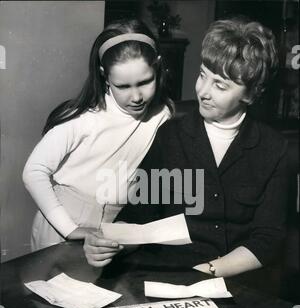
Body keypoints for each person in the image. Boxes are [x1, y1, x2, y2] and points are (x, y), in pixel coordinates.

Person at [84, 17, 288, 277]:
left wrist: (209, 271)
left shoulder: (273, 148)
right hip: (170, 274)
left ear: (251, 94)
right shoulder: (171, 136)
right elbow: (140, 213)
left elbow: (268, 239)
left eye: (220, 85)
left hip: (238, 280)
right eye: (203, 75)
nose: (203, 91)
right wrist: (109, 244)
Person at [23, 19, 173, 254]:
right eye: (123, 86)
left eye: (145, 82)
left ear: (158, 67)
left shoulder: (162, 115)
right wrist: (70, 230)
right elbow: (33, 171)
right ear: (104, 76)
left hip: (114, 224)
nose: (136, 96)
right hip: (64, 222)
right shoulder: (84, 117)